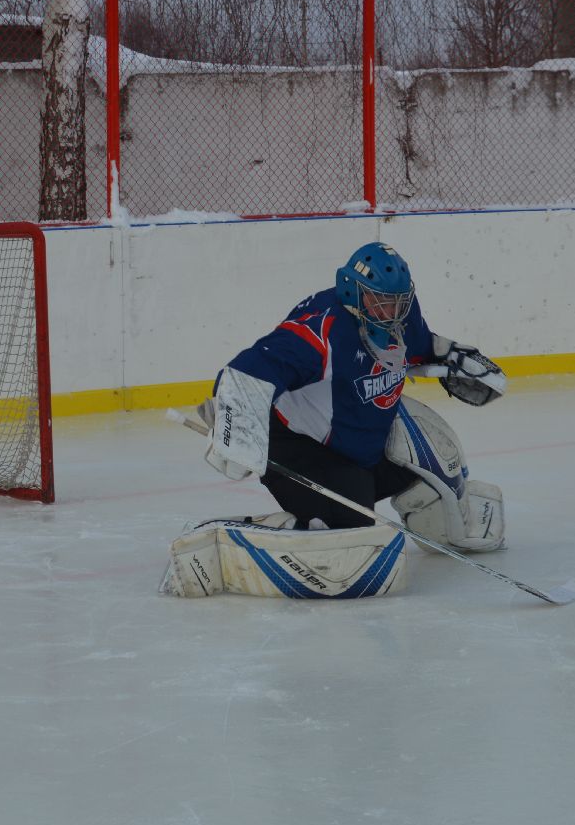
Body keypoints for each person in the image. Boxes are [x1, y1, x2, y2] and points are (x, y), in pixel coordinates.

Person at [160, 242, 509, 600]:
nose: (391, 313)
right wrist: (233, 416)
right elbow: (249, 370)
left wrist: (449, 355)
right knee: (352, 537)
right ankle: (263, 534)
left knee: (434, 473)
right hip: (301, 446)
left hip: (365, 437)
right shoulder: (321, 330)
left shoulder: (401, 314)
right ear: (352, 292)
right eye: (380, 302)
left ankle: (354, 503)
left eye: (398, 302)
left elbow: (418, 344)